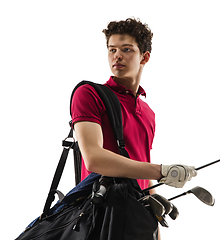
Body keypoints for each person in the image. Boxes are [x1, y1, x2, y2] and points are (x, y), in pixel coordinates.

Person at [71, 18, 197, 195]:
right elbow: (94, 159)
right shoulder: (89, 94)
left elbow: (140, 165)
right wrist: (162, 171)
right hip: (103, 214)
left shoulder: (148, 113)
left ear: (144, 57)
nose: (117, 55)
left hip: (135, 214)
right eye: (112, 50)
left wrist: (153, 209)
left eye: (126, 49)